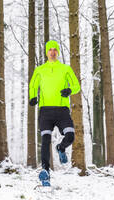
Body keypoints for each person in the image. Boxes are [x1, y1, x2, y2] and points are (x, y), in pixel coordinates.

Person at [29, 40, 80, 186]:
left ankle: (61, 147)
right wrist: (33, 97)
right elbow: (33, 85)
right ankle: (45, 172)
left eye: (55, 50)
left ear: (57, 52)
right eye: (50, 50)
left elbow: (76, 85)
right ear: (46, 52)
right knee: (45, 140)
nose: (52, 52)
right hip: (45, 111)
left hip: (62, 110)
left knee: (70, 135)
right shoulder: (40, 70)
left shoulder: (65, 69)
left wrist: (70, 90)